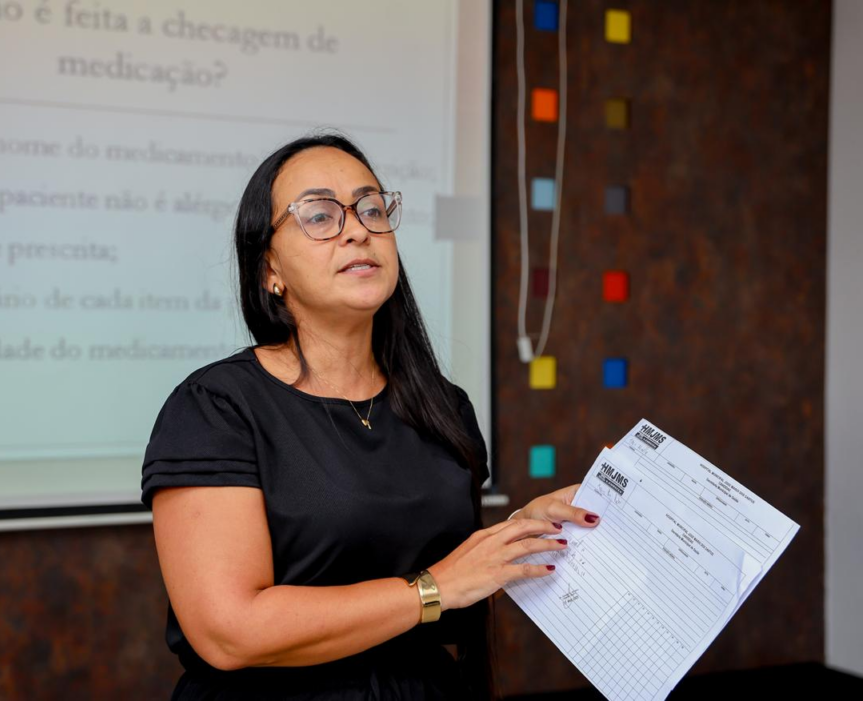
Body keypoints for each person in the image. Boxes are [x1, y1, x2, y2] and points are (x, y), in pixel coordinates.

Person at [140, 131, 601, 700]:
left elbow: (456, 589)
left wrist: (518, 539)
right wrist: (432, 588)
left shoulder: (443, 406)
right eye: (319, 215)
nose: (358, 229)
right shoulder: (216, 407)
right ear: (269, 271)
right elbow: (228, 632)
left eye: (372, 209)